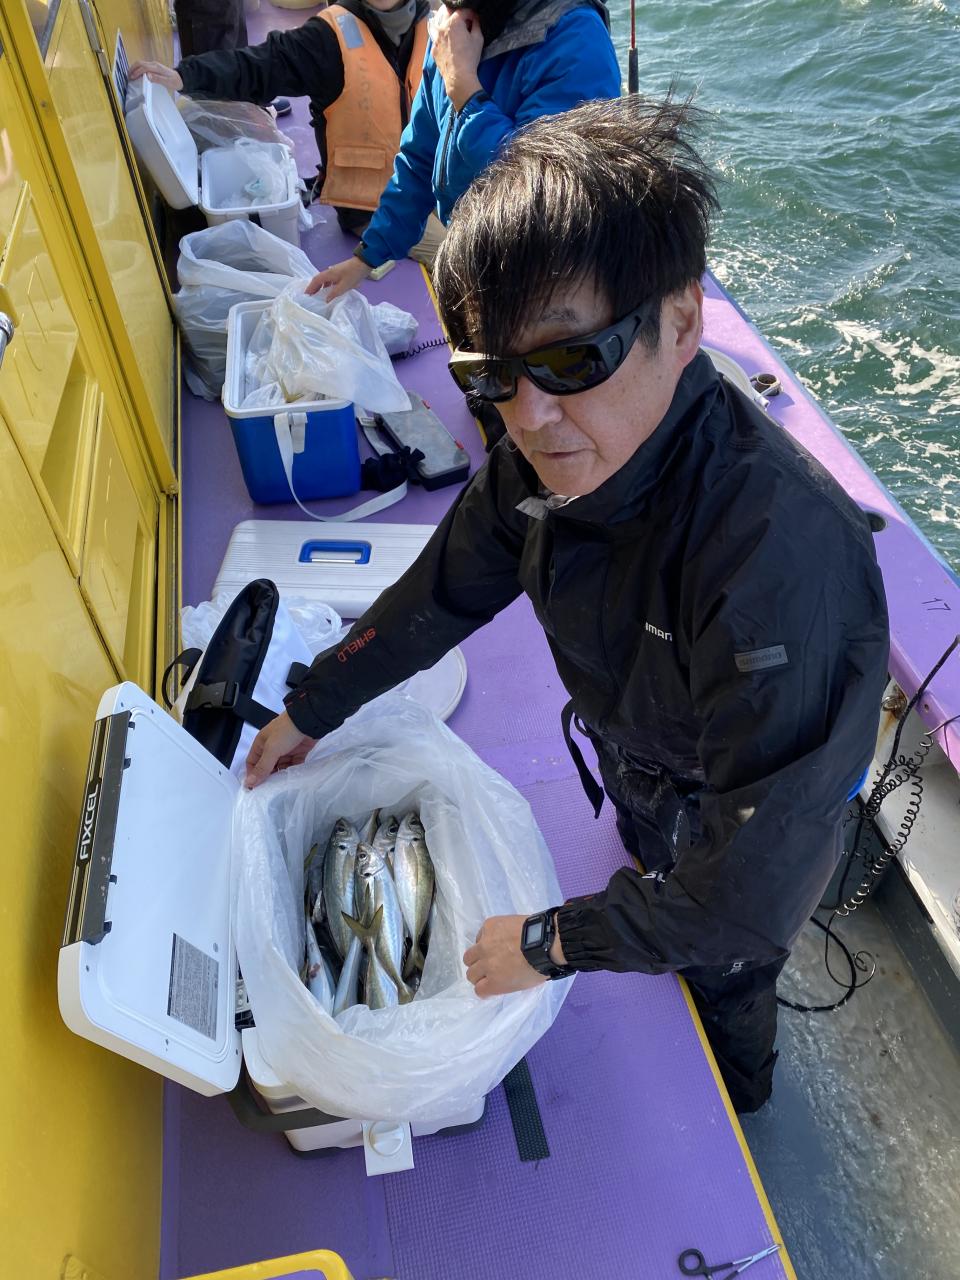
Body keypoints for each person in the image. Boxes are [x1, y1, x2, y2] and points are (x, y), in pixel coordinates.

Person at [242, 96, 890, 1114]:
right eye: (492, 374)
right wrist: (311, 708)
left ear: (681, 321)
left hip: (745, 807)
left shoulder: (777, 565)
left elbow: (748, 897)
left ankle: (743, 1092)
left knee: (726, 973)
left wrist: (553, 942)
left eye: (571, 359)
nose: (532, 415)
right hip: (640, 754)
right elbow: (443, 589)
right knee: (657, 865)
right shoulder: (549, 461)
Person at [307, 0, 621, 294]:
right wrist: (367, 257)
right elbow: (419, 159)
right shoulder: (454, 26)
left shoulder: (578, 41)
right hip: (472, 254)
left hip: (543, 281)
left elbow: (542, 195)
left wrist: (464, 88)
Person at [131, 0, 434, 237]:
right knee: (460, 252)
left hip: (425, 185)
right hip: (375, 208)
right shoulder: (327, 38)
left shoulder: (436, 28)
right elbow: (259, 66)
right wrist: (185, 75)